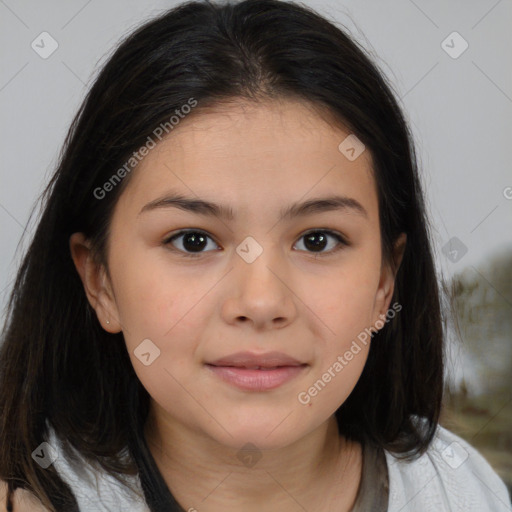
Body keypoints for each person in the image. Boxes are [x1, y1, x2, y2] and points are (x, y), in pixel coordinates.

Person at [0, 0, 510, 511]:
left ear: (385, 282)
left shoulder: (464, 493)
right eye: (193, 240)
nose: (262, 302)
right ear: (100, 282)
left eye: (318, 240)